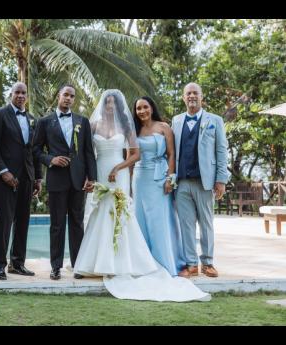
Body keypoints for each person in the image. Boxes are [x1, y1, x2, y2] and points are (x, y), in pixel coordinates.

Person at [74, 89, 209, 301]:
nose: (110, 106)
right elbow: (87, 152)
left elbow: (160, 154)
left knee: (150, 219)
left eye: (113, 103)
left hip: (144, 175)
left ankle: (164, 261)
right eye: (107, 103)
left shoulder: (138, 127)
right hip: (117, 174)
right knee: (108, 214)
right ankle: (97, 262)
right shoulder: (100, 126)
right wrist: (89, 176)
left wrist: (168, 178)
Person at [33, 84, 97, 280]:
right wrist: (51, 159)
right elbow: (35, 150)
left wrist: (92, 177)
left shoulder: (82, 121)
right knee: (57, 224)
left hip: (78, 180)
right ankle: (56, 267)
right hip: (57, 179)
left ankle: (78, 265)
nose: (68, 98)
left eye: (72, 96)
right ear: (58, 96)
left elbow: (88, 151)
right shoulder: (44, 122)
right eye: (65, 95)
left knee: (77, 223)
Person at [0, 82, 43, 281]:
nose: (20, 95)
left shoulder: (32, 119)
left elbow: (34, 151)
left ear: (27, 96)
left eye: (23, 93)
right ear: (11, 94)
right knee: (4, 221)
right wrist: (3, 171)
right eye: (17, 92)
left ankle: (17, 263)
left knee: (23, 221)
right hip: (5, 178)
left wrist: (38, 177)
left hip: (26, 178)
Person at [171, 83, 229, 278]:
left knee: (206, 223)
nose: (192, 96)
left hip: (205, 181)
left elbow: (221, 151)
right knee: (186, 224)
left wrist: (221, 180)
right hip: (182, 182)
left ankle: (208, 262)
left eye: (195, 93)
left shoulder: (215, 120)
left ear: (202, 97)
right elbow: (172, 152)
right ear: (183, 97)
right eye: (188, 93)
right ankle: (191, 264)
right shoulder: (176, 121)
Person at [131, 96, 186, 276]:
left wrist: (171, 178)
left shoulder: (164, 127)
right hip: (140, 179)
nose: (142, 111)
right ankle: (143, 264)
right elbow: (131, 158)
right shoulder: (133, 131)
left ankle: (165, 262)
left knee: (160, 220)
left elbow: (171, 155)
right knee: (140, 220)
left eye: (145, 107)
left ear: (151, 108)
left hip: (160, 178)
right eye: (138, 108)